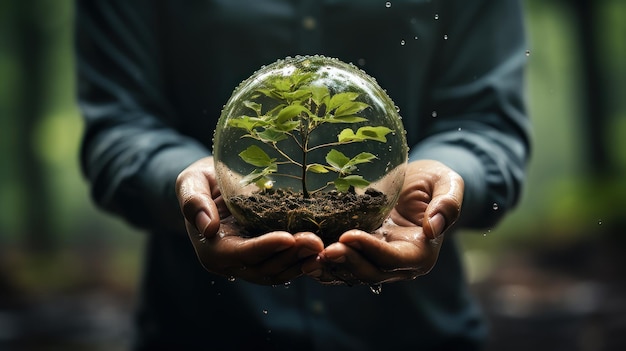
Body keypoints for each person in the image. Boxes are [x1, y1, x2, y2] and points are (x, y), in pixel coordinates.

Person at [75, 0, 531, 350]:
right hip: (201, 329)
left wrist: (448, 176)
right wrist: (182, 180)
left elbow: (486, 122)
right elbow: (120, 125)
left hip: (418, 333)